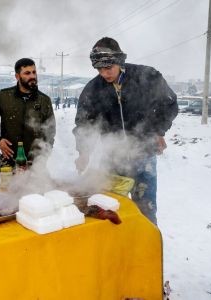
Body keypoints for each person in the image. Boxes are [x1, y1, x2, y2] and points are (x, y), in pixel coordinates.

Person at [74, 37, 178, 224]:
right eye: (99, 69)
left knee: (145, 210)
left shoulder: (147, 76)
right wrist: (84, 152)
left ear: (119, 61)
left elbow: (169, 104)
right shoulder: (93, 89)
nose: (104, 74)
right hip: (112, 160)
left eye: (108, 68)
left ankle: (146, 249)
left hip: (143, 156)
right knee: (111, 208)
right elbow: (84, 125)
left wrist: (158, 131)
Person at [0, 58, 56, 168]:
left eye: (34, 72)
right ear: (17, 76)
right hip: (9, 157)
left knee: (35, 186)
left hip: (36, 162)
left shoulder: (44, 100)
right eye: (27, 73)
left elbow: (50, 131)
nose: (32, 76)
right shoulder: (4, 96)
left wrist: (43, 155)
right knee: (7, 186)